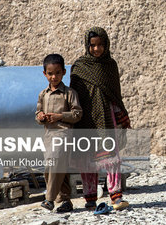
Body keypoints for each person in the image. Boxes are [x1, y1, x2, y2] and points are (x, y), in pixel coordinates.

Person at [70, 27, 131, 211]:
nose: (96, 49)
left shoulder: (110, 65)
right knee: (87, 158)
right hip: (86, 120)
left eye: (100, 45)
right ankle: (89, 197)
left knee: (112, 157)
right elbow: (74, 95)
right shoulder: (79, 67)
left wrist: (121, 116)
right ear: (87, 46)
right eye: (93, 45)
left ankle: (116, 195)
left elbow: (115, 94)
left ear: (106, 45)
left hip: (107, 117)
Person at [36, 54, 82, 213]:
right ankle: (64, 201)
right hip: (48, 135)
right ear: (44, 74)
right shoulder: (43, 94)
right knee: (52, 168)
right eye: (50, 73)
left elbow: (77, 114)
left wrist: (60, 116)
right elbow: (37, 114)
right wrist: (41, 117)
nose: (53, 76)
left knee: (55, 163)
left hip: (64, 134)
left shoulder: (69, 93)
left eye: (57, 73)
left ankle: (49, 199)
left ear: (63, 72)